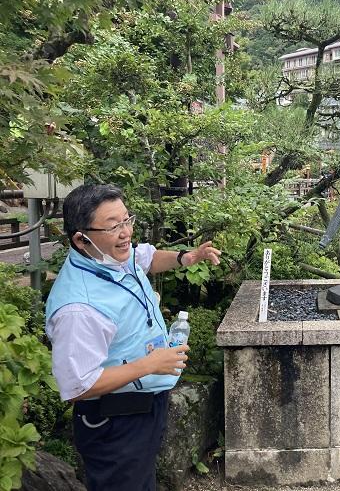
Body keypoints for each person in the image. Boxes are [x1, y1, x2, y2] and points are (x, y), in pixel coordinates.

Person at [45, 184, 222, 491]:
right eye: (114, 226)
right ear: (80, 238)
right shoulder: (79, 308)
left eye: (127, 220)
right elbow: (78, 385)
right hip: (114, 420)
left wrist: (186, 257)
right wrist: (150, 364)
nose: (126, 232)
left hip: (142, 405)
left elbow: (146, 258)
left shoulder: (108, 256)